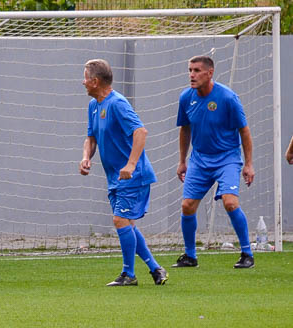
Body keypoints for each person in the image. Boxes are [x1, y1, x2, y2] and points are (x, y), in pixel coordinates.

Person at [79, 59, 168, 287]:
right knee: (126, 223)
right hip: (115, 178)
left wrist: (130, 165)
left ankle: (128, 274)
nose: (83, 82)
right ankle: (156, 269)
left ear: (95, 81)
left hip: (133, 175)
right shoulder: (94, 106)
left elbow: (140, 131)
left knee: (120, 220)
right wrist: (86, 157)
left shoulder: (117, 103)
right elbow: (91, 137)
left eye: (85, 77)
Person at [173, 56, 255, 269]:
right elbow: (185, 129)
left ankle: (247, 253)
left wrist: (248, 164)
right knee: (187, 206)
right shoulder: (185, 98)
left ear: (210, 73)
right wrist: (182, 161)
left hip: (227, 158)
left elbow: (244, 131)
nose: (192, 74)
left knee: (230, 202)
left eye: (197, 70)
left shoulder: (228, 97)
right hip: (199, 160)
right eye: (190, 70)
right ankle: (190, 256)